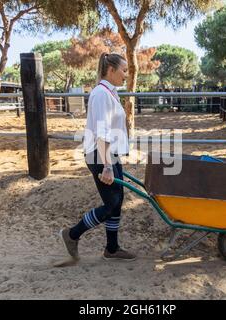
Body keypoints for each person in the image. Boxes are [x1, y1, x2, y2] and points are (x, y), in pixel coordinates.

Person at [59, 53, 136, 262]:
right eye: (123, 70)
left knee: (117, 201)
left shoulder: (110, 93)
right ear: (110, 70)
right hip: (100, 155)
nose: (126, 74)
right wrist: (107, 166)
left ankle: (112, 249)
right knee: (110, 204)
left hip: (109, 153)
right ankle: (72, 234)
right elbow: (102, 132)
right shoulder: (101, 94)